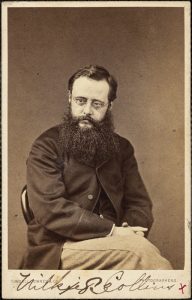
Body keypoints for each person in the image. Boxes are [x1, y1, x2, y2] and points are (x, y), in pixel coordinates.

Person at [22, 65, 172, 270]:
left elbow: (139, 203)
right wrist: (113, 231)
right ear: (69, 98)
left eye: (97, 104)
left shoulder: (122, 148)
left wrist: (130, 228)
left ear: (109, 106)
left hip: (114, 245)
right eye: (80, 101)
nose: (86, 111)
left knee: (137, 249)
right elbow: (50, 209)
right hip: (59, 249)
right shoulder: (46, 145)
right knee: (139, 253)